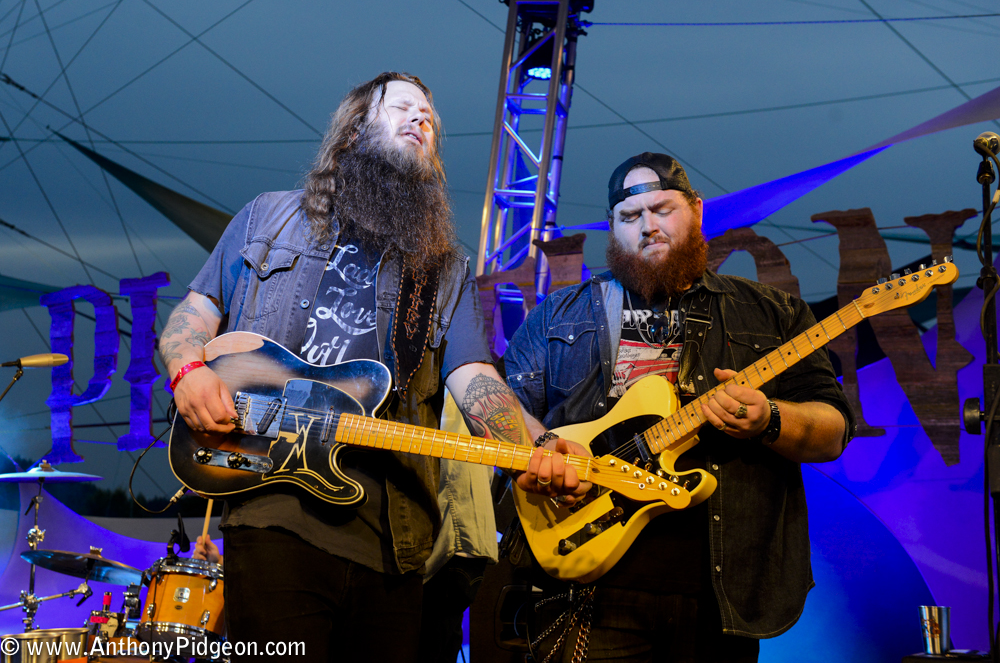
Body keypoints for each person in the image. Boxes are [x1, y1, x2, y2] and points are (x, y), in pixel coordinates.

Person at [159, 71, 581, 663]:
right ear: (355, 131)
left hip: (394, 540)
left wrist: (533, 447)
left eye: (430, 118)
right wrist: (188, 372)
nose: (421, 120)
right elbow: (195, 312)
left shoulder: (444, 269)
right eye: (403, 107)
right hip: (273, 510)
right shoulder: (268, 219)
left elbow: (475, 380)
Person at [502, 152, 856, 662]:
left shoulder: (772, 313)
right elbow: (500, 411)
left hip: (722, 598)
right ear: (613, 228)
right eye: (630, 217)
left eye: (663, 209)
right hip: (586, 587)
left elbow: (833, 430)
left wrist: (768, 419)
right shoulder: (559, 315)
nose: (648, 226)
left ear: (696, 211)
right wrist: (540, 452)